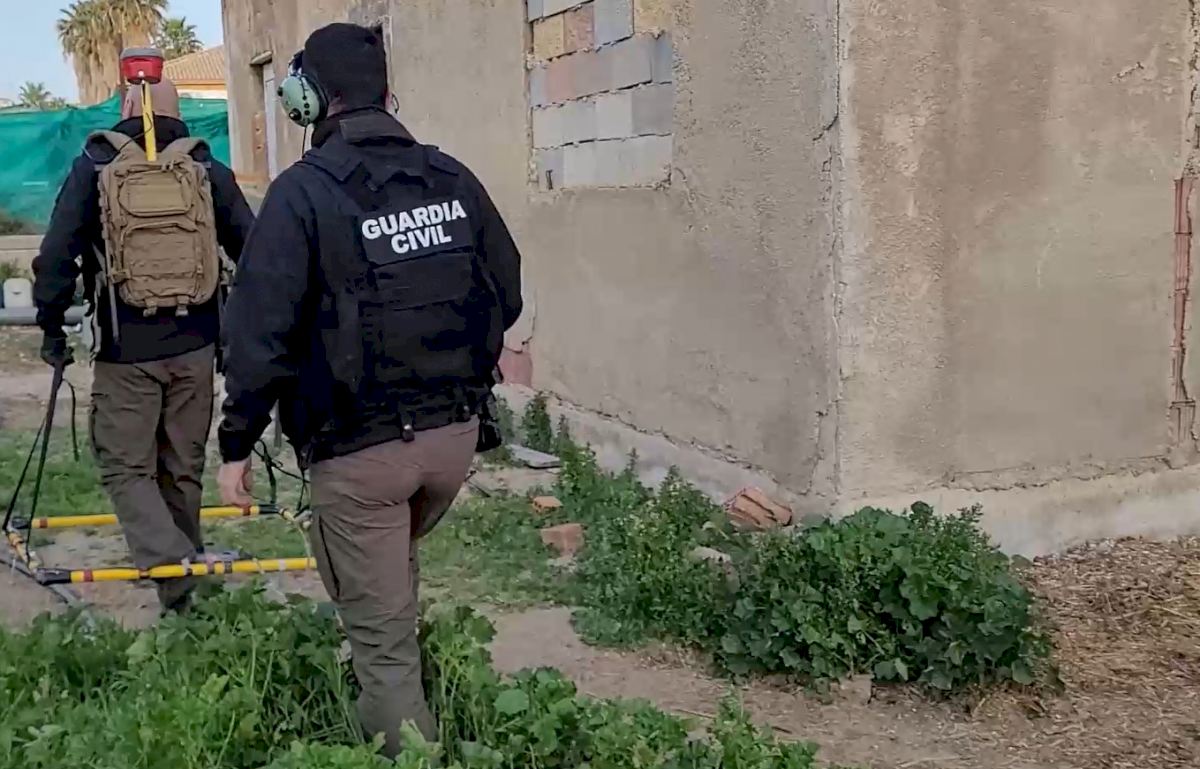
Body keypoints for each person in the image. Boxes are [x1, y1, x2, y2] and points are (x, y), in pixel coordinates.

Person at [216, 22, 522, 754]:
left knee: (380, 642)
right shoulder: (449, 177)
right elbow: (506, 292)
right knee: (386, 576)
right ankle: (400, 662)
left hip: (360, 456)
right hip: (452, 443)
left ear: (307, 100)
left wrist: (236, 444)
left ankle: (404, 743)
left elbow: (258, 336)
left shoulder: (300, 194)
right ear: (387, 93)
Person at [33, 78, 255, 613]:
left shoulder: (96, 166)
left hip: (125, 350)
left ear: (128, 104)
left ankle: (174, 572)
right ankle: (183, 582)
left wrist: (51, 325)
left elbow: (57, 254)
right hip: (198, 346)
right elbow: (253, 248)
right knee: (181, 466)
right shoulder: (204, 166)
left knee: (126, 467)